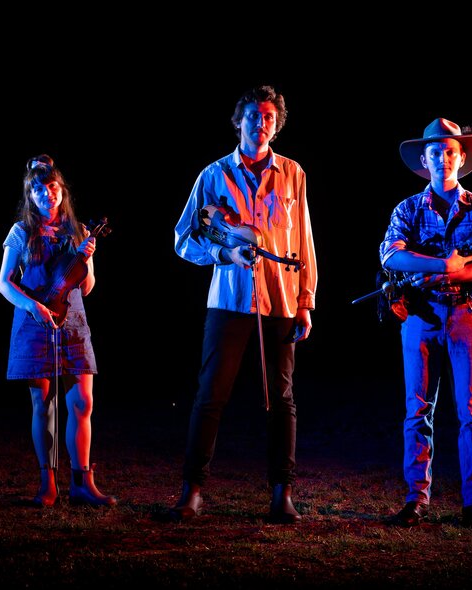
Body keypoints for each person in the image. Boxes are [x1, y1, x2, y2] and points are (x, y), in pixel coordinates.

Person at [170, 85, 317, 524]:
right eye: (254, 115)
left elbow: (304, 242)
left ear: (277, 124)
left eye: (270, 117)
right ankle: (192, 491)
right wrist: (224, 254)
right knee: (211, 395)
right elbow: (184, 238)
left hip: (281, 300)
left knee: (282, 399)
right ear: (240, 121)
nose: (261, 123)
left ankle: (282, 493)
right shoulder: (213, 175)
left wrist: (306, 301)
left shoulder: (294, 174)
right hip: (229, 301)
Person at [379, 118, 472, 529]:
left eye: (450, 151)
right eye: (436, 152)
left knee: (471, 411)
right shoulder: (408, 209)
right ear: (424, 159)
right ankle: (416, 498)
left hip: (467, 314)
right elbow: (390, 256)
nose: (443, 158)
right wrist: (441, 264)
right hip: (421, 316)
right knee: (418, 411)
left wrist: (454, 273)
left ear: (461, 158)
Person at [0, 154, 116, 508]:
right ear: (30, 196)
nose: (48, 194)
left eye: (53, 187)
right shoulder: (21, 232)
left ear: (62, 191)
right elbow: (3, 284)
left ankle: (82, 482)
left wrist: (87, 257)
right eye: (39, 190)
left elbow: (88, 286)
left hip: (74, 324)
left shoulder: (77, 231)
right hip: (35, 321)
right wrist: (33, 306)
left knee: (83, 402)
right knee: (43, 405)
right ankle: (47, 483)